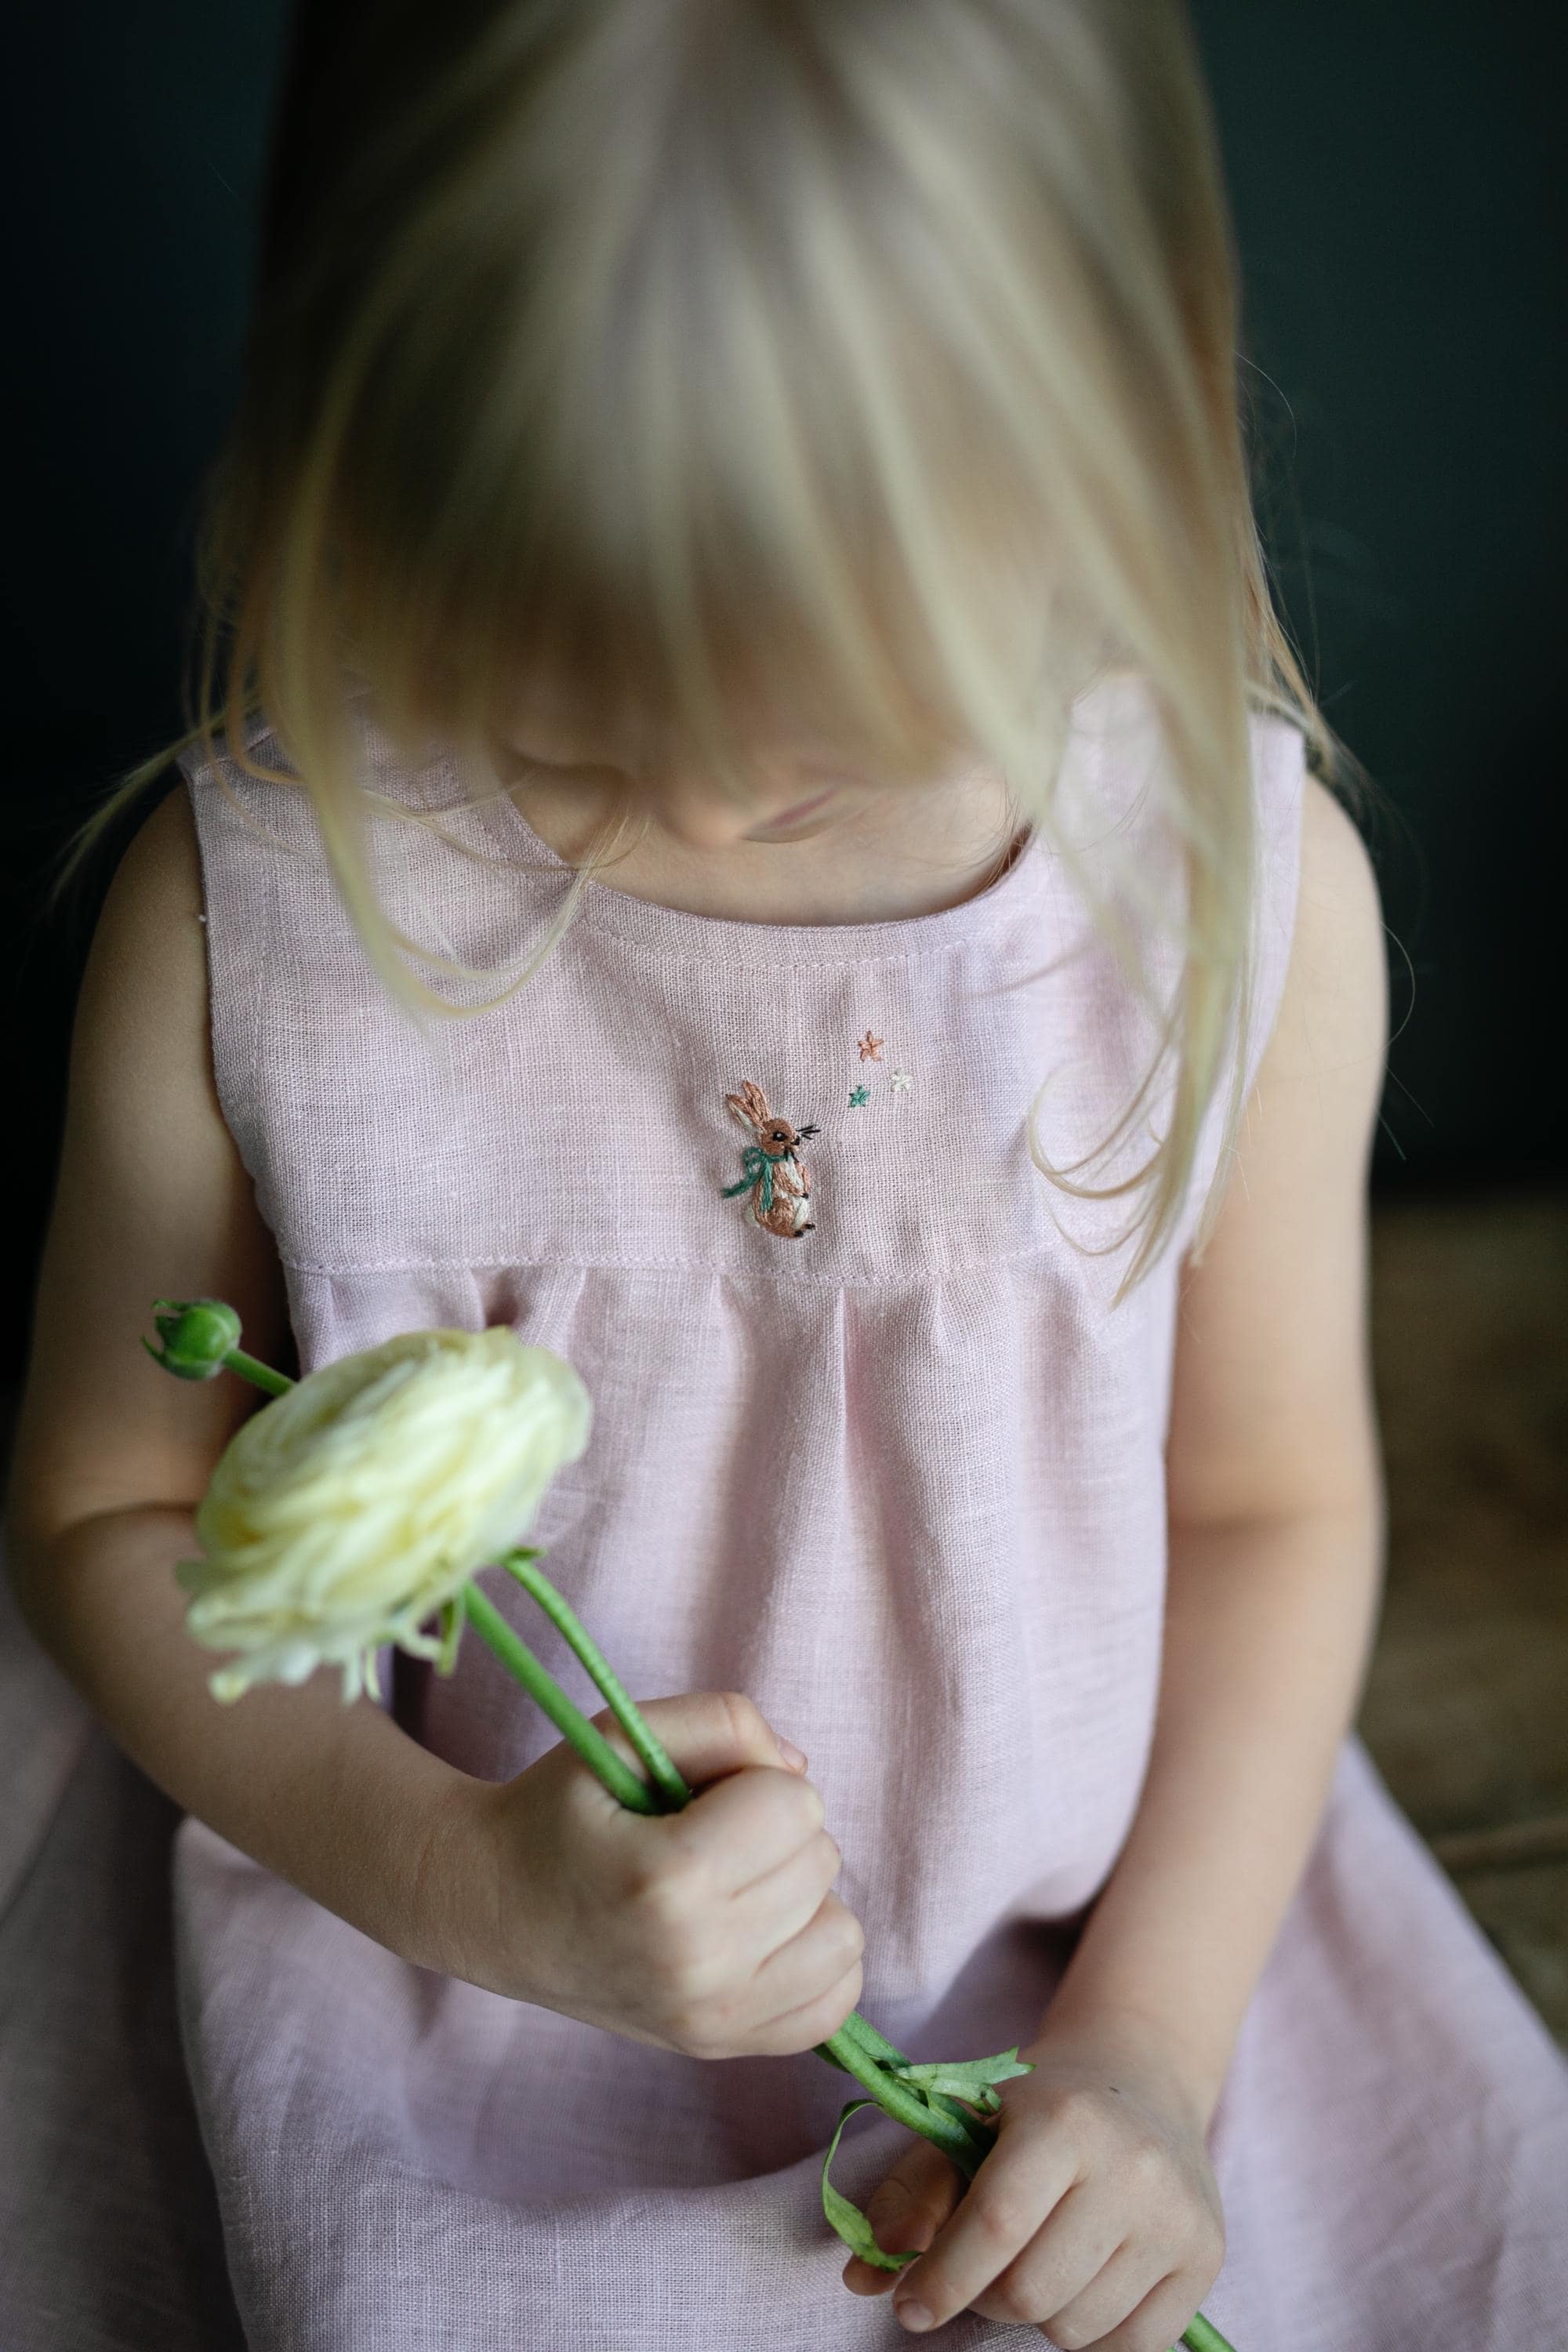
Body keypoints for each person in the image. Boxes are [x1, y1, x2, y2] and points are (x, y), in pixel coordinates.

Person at [5, 4, 1565, 2347]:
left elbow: (1268, 1505)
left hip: (1106, 1952)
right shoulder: (261, 925)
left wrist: (1146, 2051)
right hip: (430, 1978)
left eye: (845, 711)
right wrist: (452, 1878)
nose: (719, 799)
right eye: (572, 698)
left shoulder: (1227, 904)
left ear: (1118, 443)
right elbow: (101, 1518)